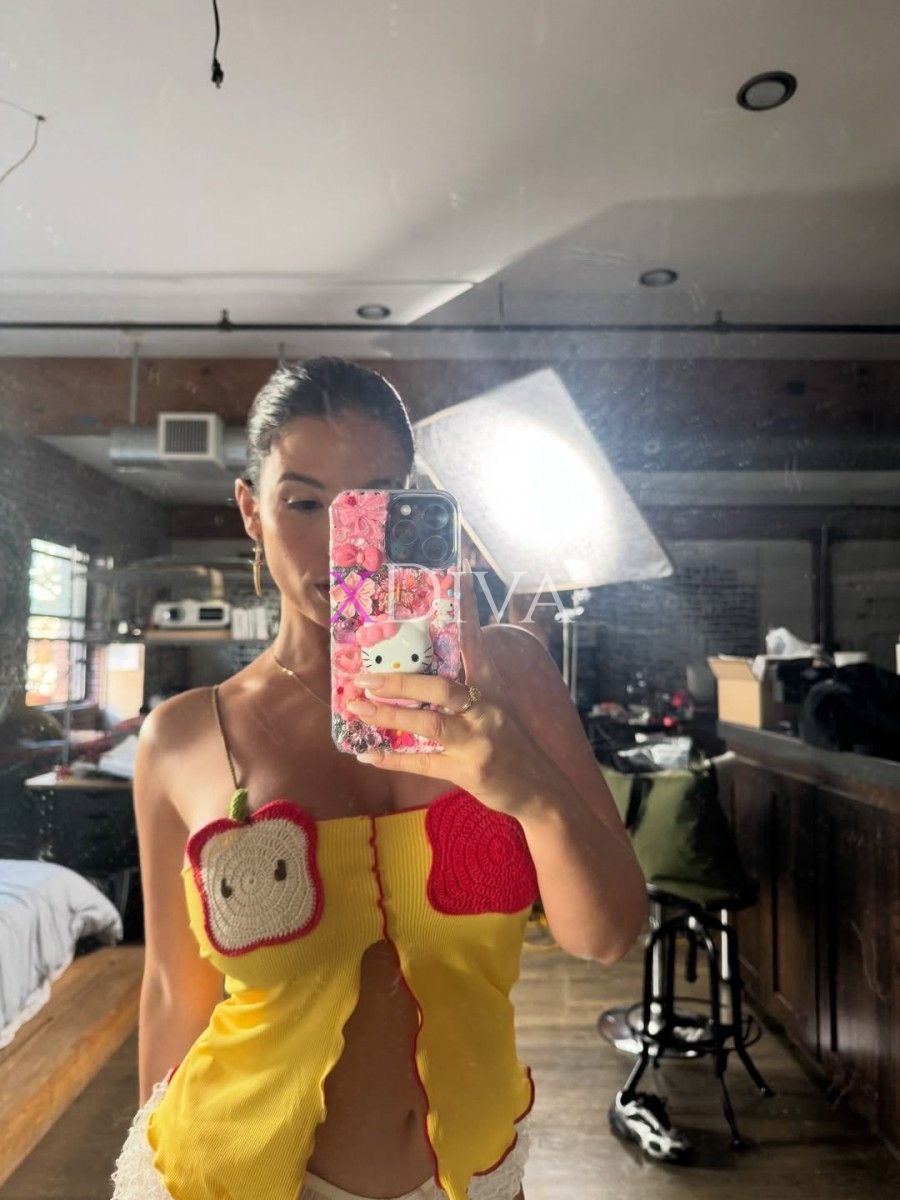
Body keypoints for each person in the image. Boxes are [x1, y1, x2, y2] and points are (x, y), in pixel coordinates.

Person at [110, 356, 647, 1200]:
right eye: (303, 503)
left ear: (417, 507)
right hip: (226, 1176)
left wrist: (530, 790)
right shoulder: (184, 738)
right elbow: (175, 992)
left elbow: (606, 937)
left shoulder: (509, 675)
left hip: (469, 1174)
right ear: (251, 510)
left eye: (375, 502)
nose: (339, 542)